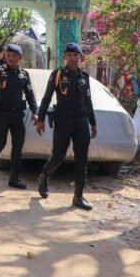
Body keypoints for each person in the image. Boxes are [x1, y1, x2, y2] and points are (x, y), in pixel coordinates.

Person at [35, 43, 97, 211]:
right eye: (70, 55)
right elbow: (47, 98)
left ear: (80, 57)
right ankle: (44, 175)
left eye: (76, 55)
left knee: (82, 159)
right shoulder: (57, 75)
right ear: (65, 57)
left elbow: (88, 101)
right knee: (58, 156)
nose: (73, 58)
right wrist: (40, 119)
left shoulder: (84, 77)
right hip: (63, 120)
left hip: (81, 121)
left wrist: (93, 123)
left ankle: (78, 196)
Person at [0, 43, 38, 188]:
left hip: (17, 115)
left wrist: (35, 112)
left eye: (13, 56)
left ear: (20, 58)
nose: (10, 58)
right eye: (8, 55)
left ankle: (14, 178)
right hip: (2, 114)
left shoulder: (24, 75)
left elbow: (30, 95)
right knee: (0, 143)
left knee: (18, 146)